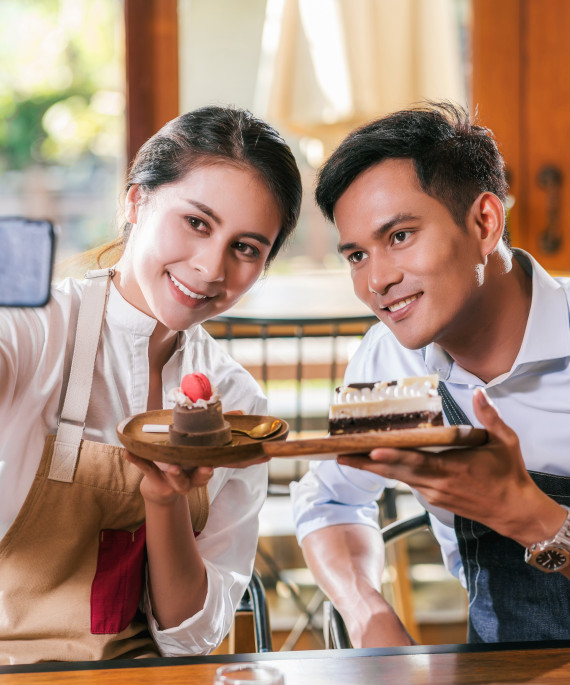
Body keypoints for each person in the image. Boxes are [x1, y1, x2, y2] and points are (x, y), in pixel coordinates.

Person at [0, 105, 302, 663]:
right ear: (136, 201)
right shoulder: (35, 328)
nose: (212, 268)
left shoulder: (236, 402)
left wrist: (165, 502)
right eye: (196, 222)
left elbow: (191, 637)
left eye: (245, 248)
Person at [291, 101, 570, 646]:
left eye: (399, 236)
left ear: (484, 222)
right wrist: (370, 617)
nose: (377, 280)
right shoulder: (390, 358)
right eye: (356, 256)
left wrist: (528, 516)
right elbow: (330, 500)